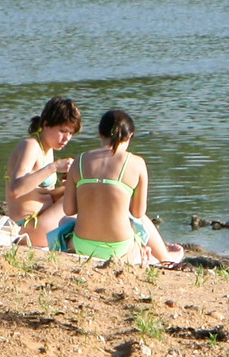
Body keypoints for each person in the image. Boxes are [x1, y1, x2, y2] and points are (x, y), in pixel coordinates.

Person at [59, 108, 183, 267]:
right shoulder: (136, 163)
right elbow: (138, 213)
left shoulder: (80, 161)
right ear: (130, 136)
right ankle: (165, 259)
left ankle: (159, 256)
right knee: (141, 220)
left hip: (82, 245)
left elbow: (69, 210)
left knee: (65, 221)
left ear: (100, 133)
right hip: (120, 248)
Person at [7, 97, 81, 249]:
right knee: (85, 194)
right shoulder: (31, 146)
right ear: (46, 125)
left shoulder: (48, 148)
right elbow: (15, 190)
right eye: (62, 131)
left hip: (42, 221)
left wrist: (70, 185)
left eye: (71, 133)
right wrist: (54, 167)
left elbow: (44, 195)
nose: (66, 138)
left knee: (83, 188)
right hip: (28, 227)